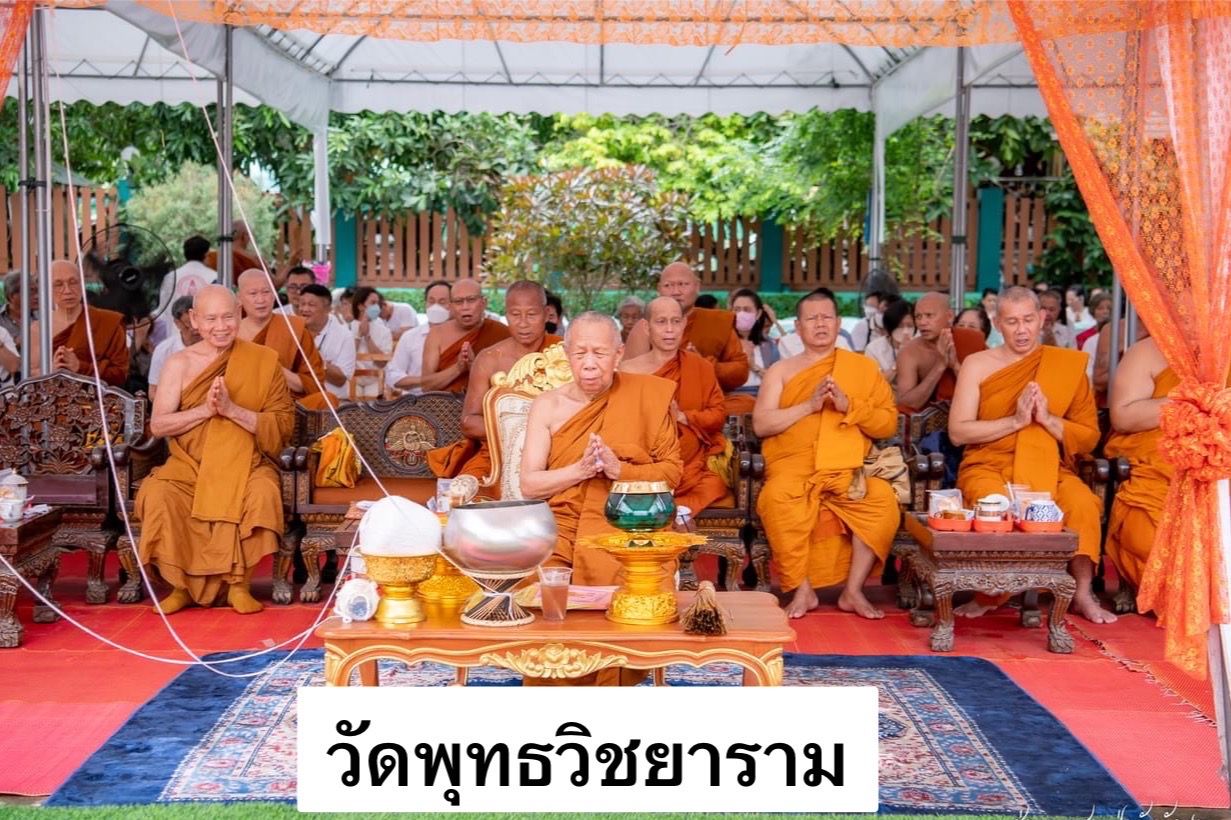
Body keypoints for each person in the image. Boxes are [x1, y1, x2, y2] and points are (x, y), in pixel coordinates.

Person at [948, 286, 1114, 623]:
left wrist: (1049, 420)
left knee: (1082, 504)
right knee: (994, 504)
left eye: (1028, 320)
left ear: (1042, 318)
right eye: (1012, 322)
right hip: (989, 465)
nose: (1021, 330)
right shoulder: (977, 365)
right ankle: (990, 592)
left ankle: (1082, 592)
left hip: (1050, 468)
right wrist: (1015, 421)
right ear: (997, 323)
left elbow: (1089, 438)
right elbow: (958, 432)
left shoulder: (1066, 366)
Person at [135, 285, 293, 615]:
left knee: (262, 492)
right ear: (194, 320)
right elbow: (158, 425)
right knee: (158, 494)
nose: (220, 327)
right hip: (188, 465)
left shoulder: (263, 360)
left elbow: (282, 426)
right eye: (210, 319)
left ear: (239, 314)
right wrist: (205, 411)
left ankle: (239, 586)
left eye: (227, 317)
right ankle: (180, 587)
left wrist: (232, 410)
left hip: (245, 462)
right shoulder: (178, 363)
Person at [753, 288, 899, 619]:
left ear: (837, 323)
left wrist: (851, 406)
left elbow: (887, 424)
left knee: (881, 500)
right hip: (794, 469)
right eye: (812, 318)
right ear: (798, 327)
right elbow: (762, 424)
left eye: (827, 317)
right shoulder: (781, 371)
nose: (820, 324)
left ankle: (853, 591)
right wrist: (810, 405)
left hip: (848, 468)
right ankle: (803, 590)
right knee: (775, 498)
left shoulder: (863, 368)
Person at [521, 312, 682, 588]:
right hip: (562, 526)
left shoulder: (647, 397)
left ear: (618, 354)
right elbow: (529, 485)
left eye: (599, 353)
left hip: (629, 522)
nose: (589, 364)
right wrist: (580, 470)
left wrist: (619, 470)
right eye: (579, 353)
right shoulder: (548, 406)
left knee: (640, 591)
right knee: (537, 591)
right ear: (566, 353)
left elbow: (672, 474)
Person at [427, 281, 561, 483]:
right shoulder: (489, 359)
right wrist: (518, 430)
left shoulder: (563, 354)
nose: (523, 323)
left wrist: (541, 436)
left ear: (546, 314)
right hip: (498, 451)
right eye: (515, 315)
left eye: (532, 314)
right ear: (506, 315)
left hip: (554, 451)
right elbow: (469, 422)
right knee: (467, 491)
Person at [620, 297, 730, 515]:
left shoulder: (701, 367)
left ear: (684, 324)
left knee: (713, 484)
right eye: (661, 322)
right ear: (647, 327)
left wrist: (683, 416)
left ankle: (674, 512)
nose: (669, 329)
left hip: (691, 464)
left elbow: (718, 416)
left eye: (676, 321)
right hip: (644, 460)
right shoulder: (627, 371)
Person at [1103, 333, 1172, 608]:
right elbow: (1122, 417)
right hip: (1157, 467)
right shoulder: (1146, 351)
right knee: (1147, 535)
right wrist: (1188, 402)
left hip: (1218, 460)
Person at [624, 262, 749, 395]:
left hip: (708, 399)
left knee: (745, 403)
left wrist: (704, 365)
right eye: (668, 285)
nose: (676, 292)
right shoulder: (645, 327)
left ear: (697, 286)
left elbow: (740, 371)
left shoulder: (717, 322)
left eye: (683, 284)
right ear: (659, 289)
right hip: (659, 398)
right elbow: (630, 378)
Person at [235, 269, 333, 409]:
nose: (261, 300)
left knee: (327, 400)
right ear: (239, 298)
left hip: (288, 407)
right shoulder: (229, 333)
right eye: (253, 294)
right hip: (243, 407)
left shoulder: (294, 328)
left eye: (266, 292)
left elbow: (314, 384)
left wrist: (274, 369)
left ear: (274, 294)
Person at [28, 260, 129, 387]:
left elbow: (121, 374)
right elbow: (30, 377)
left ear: (82, 284)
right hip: (53, 398)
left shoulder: (107, 322)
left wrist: (80, 367)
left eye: (73, 282)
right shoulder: (38, 330)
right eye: (58, 285)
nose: (67, 291)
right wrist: (52, 371)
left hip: (97, 398)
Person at [895, 292, 987, 411]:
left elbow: (987, 393)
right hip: (928, 421)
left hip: (968, 416)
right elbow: (906, 404)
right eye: (918, 317)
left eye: (929, 315)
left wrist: (955, 366)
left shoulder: (972, 339)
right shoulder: (909, 353)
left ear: (949, 316)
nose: (922, 322)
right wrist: (940, 365)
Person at [420, 278, 511, 393]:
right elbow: (426, 386)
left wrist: (474, 366)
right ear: (451, 307)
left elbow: (509, 383)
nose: (465, 307)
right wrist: (458, 368)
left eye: (471, 300)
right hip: (443, 403)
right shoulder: (436, 334)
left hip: (486, 403)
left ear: (484, 303)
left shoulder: (502, 333)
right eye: (458, 301)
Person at [386, 281, 452, 395]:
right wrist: (428, 381)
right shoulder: (410, 337)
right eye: (431, 301)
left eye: (442, 302)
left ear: (453, 305)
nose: (436, 306)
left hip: (452, 399)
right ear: (425, 304)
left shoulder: (462, 337)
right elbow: (393, 376)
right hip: (416, 400)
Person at [724, 288, 780, 414]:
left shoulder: (769, 345)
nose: (741, 314)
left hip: (763, 401)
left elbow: (777, 380)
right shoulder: (722, 343)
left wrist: (753, 366)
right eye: (737, 309)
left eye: (747, 310)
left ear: (758, 313)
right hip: (731, 400)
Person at [299, 284, 356, 402]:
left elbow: (340, 380)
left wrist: (314, 358)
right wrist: (327, 366)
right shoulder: (293, 330)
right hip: (299, 400)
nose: (304, 309)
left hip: (332, 403)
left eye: (311, 305)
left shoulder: (344, 335)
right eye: (302, 304)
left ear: (327, 308)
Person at [148, 296, 201, 401]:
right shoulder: (164, 350)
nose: (195, 329)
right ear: (177, 323)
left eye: (199, 322)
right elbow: (153, 393)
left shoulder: (214, 346)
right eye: (189, 324)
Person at [159, 236, 216, 329]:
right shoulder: (214, 277)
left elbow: (163, 309)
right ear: (206, 254)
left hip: (175, 331)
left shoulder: (171, 277)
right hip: (205, 332)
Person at [347, 286, 394, 400]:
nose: (376, 307)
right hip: (351, 378)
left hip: (375, 379)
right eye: (373, 303)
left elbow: (382, 363)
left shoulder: (384, 331)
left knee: (374, 404)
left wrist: (367, 337)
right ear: (360, 306)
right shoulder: (346, 328)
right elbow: (346, 359)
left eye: (378, 303)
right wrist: (359, 335)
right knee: (350, 404)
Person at [864, 298, 913, 386]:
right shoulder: (874, 349)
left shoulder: (922, 344)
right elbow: (875, 383)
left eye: (910, 326)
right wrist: (899, 361)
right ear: (890, 328)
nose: (905, 331)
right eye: (900, 326)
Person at [0, 270, 33, 347]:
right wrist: (16, 342)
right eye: (30, 291)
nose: (36, 296)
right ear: (12, 296)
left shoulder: (45, 316)